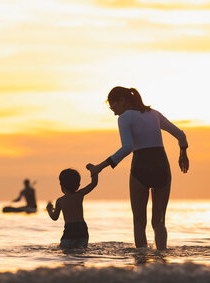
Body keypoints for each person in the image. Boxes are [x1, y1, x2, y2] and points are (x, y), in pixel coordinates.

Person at [88, 86, 189, 250]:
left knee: (139, 222)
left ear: (122, 101)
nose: (114, 113)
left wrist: (100, 167)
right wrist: (183, 152)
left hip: (141, 165)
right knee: (159, 221)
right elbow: (181, 135)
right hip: (161, 165)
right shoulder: (154, 114)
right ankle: (162, 262)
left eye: (114, 107)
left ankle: (141, 265)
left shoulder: (125, 118)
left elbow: (127, 147)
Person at [46, 168, 98, 248]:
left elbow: (54, 217)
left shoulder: (60, 201)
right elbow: (94, 183)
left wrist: (49, 209)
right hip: (82, 229)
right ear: (78, 185)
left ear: (61, 185)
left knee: (64, 250)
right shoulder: (80, 194)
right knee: (81, 250)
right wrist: (94, 172)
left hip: (70, 230)